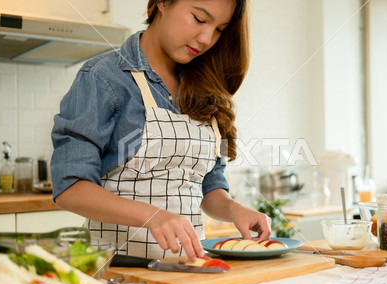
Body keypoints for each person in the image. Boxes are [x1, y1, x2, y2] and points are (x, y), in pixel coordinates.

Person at [51, 0, 271, 261]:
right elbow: (70, 188)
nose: (206, 39)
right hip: (120, 268)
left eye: (219, 29)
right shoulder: (103, 78)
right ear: (162, 3)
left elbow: (209, 186)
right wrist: (152, 216)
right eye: (200, 19)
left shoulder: (207, 87)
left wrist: (235, 210)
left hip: (190, 266)